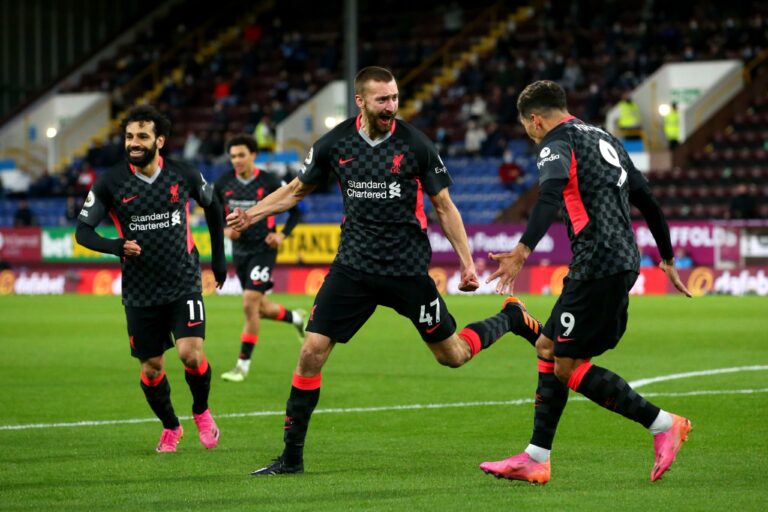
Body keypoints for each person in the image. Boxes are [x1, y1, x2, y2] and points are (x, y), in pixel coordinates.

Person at [227, 66, 542, 475]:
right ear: (361, 101)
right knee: (310, 352)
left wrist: (466, 264)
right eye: (382, 99)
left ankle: (510, 317)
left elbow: (444, 206)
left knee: (453, 356)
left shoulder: (415, 145)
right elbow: (296, 190)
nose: (391, 106)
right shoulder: (335, 143)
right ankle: (291, 457)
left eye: (394, 98)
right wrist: (251, 215)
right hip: (352, 269)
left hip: (407, 271)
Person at [481, 80, 693, 485]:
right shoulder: (603, 137)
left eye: (528, 126)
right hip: (615, 260)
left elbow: (548, 195)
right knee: (546, 346)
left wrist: (523, 251)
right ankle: (536, 457)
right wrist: (665, 256)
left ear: (536, 120)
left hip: (598, 263)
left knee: (567, 365)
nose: (531, 133)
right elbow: (647, 199)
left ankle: (663, 424)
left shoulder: (555, 143)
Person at [75, 105, 227, 453]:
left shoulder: (183, 174)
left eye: (142, 136)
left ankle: (201, 411)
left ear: (159, 140)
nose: (134, 142)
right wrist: (115, 245)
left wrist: (219, 259)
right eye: (129, 136)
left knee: (191, 353)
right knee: (152, 368)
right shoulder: (111, 182)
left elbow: (213, 204)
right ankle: (171, 427)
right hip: (141, 290)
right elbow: (83, 231)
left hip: (183, 280)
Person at [215, 134, 306, 383]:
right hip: (240, 252)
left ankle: (242, 366)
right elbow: (215, 216)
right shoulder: (223, 183)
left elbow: (297, 212)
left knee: (248, 304)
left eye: (241, 155)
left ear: (253, 155)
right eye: (233, 156)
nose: (237, 160)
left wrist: (282, 235)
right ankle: (297, 318)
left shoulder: (270, 181)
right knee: (260, 307)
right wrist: (225, 230)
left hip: (264, 249)